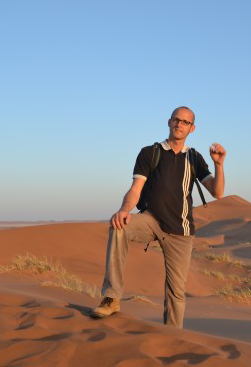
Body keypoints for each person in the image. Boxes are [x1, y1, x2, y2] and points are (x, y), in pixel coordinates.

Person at [91, 106, 226, 328]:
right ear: (169, 122)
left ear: (192, 129)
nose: (179, 124)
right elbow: (136, 189)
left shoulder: (194, 157)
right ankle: (111, 297)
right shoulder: (149, 152)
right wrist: (124, 209)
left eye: (185, 122)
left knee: (176, 293)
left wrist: (219, 165)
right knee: (119, 226)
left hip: (180, 231)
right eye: (176, 120)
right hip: (151, 221)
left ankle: (172, 337)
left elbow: (217, 192)